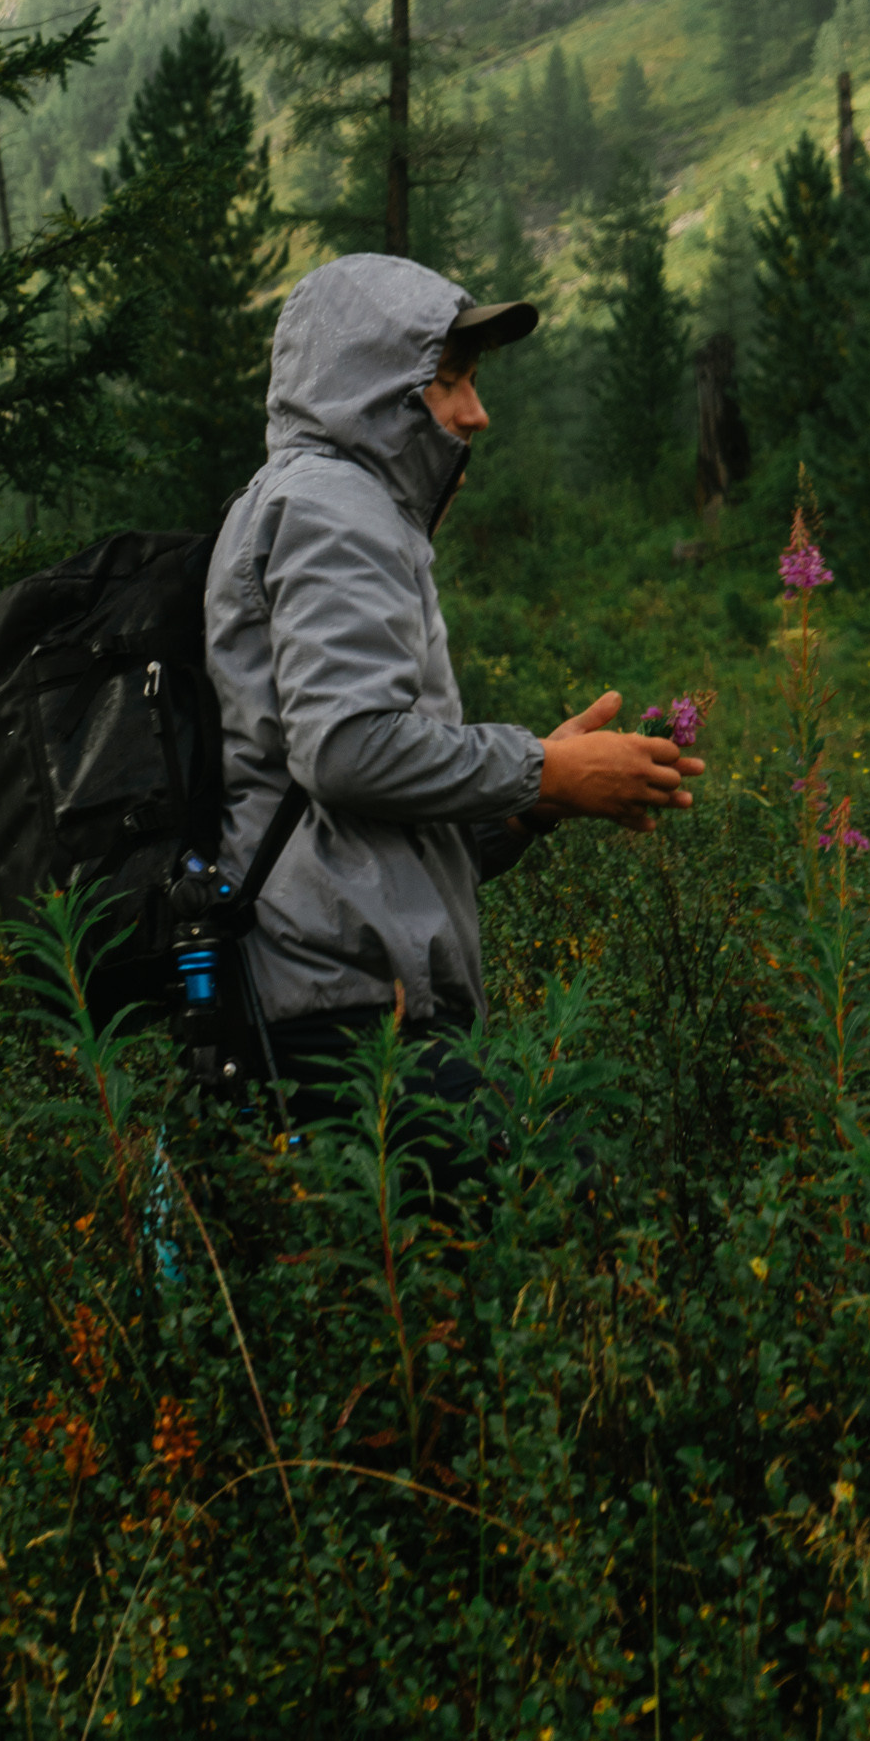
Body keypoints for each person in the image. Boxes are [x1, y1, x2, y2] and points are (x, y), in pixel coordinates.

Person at [204, 250, 702, 1174]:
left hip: (335, 996)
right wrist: (544, 767)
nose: (476, 412)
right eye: (449, 381)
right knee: (534, 1231)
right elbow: (345, 750)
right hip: (342, 1014)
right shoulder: (333, 508)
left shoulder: (332, 508)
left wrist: (524, 809)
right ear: (374, 389)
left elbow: (355, 825)